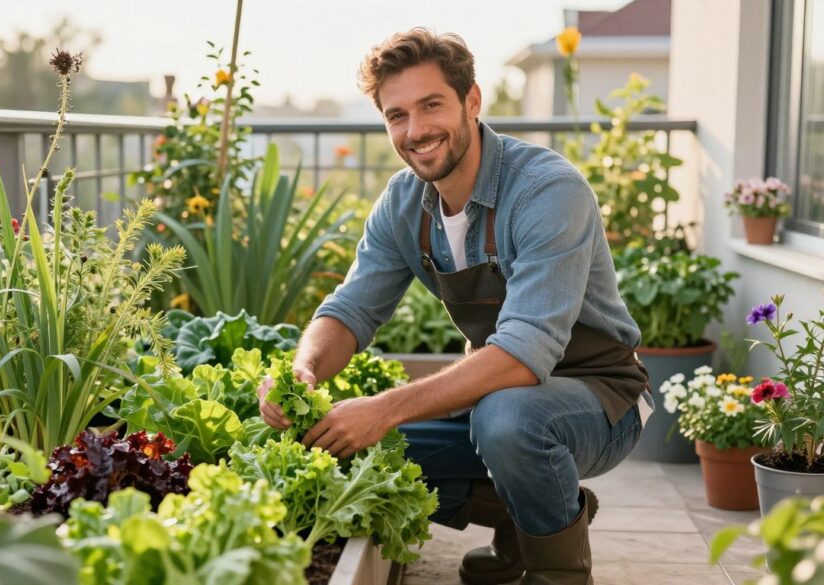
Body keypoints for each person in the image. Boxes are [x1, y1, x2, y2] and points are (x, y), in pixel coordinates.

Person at [258, 28, 653, 585]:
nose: (415, 131)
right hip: (493, 392)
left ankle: (557, 574)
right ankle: (538, 516)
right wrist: (304, 370)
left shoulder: (546, 190)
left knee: (508, 419)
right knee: (338, 443)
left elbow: (522, 353)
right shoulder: (403, 202)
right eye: (397, 115)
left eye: (431, 105)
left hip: (599, 398)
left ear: (472, 100)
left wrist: (385, 408)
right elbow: (350, 309)